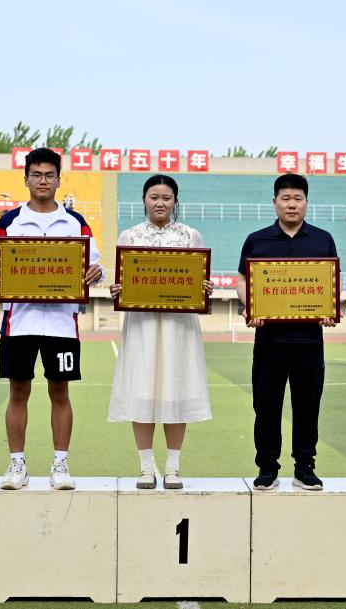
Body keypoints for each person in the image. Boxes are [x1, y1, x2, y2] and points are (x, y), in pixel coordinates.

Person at [0, 148, 104, 490]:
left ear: (59, 180)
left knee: (60, 391)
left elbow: (95, 265)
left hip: (62, 324)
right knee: (18, 391)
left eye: (49, 175)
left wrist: (96, 272)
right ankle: (17, 465)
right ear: (26, 179)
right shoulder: (8, 223)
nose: (43, 181)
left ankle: (60, 464)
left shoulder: (76, 223)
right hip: (19, 322)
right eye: (36, 175)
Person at [108, 175, 213, 490]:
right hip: (142, 326)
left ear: (175, 201)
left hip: (179, 327)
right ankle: (145, 468)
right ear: (144, 200)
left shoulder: (190, 236)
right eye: (154, 197)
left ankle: (173, 468)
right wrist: (118, 290)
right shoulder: (130, 235)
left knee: (176, 391)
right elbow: (123, 281)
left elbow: (199, 281)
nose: (160, 203)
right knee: (142, 390)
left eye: (166, 198)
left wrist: (203, 289)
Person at [236, 173, 338, 491]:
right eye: (286, 198)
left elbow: (330, 281)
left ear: (306, 202)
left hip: (309, 341)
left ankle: (305, 468)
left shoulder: (323, 239)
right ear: (275, 202)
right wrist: (250, 306)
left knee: (307, 406)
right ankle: (267, 468)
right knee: (266, 406)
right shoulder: (257, 240)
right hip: (269, 340)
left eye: (298, 198)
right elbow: (243, 279)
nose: (292, 204)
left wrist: (330, 309)